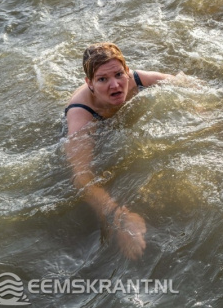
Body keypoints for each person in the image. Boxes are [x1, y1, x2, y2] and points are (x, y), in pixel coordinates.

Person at [64, 42, 174, 260]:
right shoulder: (80, 116)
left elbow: (188, 85)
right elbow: (81, 179)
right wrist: (118, 217)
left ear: (127, 71)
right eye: (102, 79)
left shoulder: (136, 79)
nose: (115, 85)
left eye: (118, 74)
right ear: (89, 83)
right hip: (97, 128)